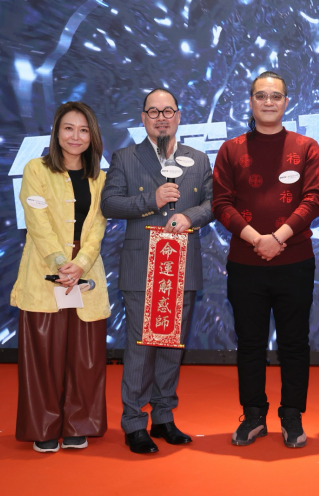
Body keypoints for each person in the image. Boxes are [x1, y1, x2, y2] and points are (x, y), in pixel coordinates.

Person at [212, 71, 319, 448]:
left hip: (295, 261)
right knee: (250, 343)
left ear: (286, 102)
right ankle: (254, 415)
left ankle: (292, 415)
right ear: (251, 102)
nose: (268, 102)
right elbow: (221, 203)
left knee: (295, 342)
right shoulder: (231, 149)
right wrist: (256, 238)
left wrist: (278, 237)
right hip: (245, 263)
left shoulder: (306, 147)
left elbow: (315, 199)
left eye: (276, 96)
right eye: (261, 95)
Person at [101, 88, 214, 454]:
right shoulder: (125, 157)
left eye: (168, 111)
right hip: (142, 265)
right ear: (143, 118)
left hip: (182, 264)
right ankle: (134, 421)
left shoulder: (198, 159)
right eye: (153, 112)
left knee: (171, 345)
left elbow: (214, 203)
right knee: (142, 346)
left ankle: (164, 416)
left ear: (178, 116)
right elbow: (109, 203)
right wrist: (151, 201)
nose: (161, 118)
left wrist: (190, 216)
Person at [10, 101, 110, 453]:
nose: (75, 136)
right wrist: (58, 262)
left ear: (92, 136)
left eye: (83, 130)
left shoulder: (100, 178)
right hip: (43, 272)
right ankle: (44, 426)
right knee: (44, 356)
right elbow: (36, 223)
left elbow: (98, 227)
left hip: (86, 273)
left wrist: (80, 263)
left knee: (85, 356)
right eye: (68, 128)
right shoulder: (36, 169)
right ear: (56, 132)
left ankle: (79, 423)